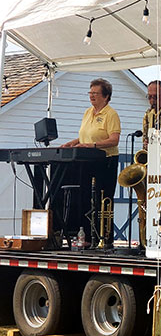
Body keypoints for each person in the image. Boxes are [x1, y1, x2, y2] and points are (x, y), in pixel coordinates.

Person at [62, 78, 121, 243]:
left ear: (106, 96)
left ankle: (105, 238)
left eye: (95, 93)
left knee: (102, 199)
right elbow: (84, 135)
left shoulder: (111, 114)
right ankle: (86, 236)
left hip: (105, 160)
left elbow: (114, 139)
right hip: (86, 160)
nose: (92, 96)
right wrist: (73, 143)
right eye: (90, 93)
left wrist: (93, 145)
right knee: (84, 196)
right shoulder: (88, 112)